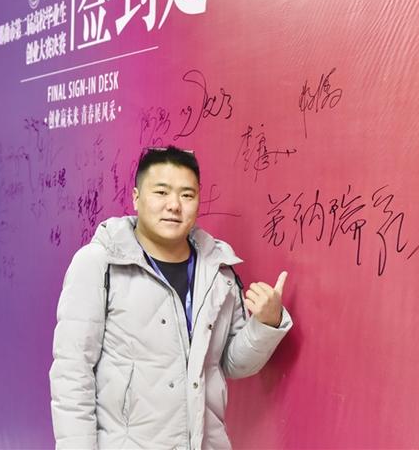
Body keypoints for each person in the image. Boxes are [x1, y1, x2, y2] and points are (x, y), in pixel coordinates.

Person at [50, 146, 292, 449]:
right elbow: (72, 373)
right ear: (136, 197)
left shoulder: (218, 270)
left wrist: (266, 324)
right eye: (161, 192)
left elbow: (231, 364)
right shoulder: (100, 264)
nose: (174, 205)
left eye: (187, 195)